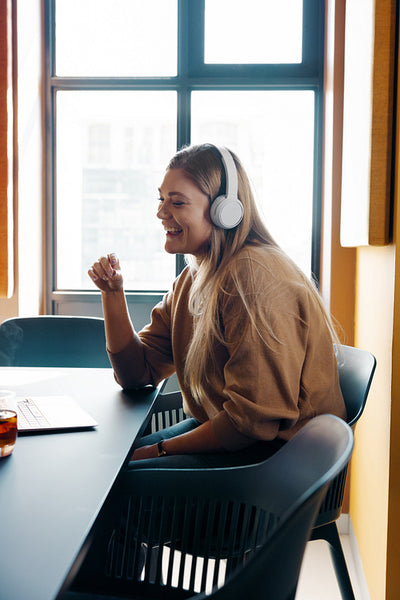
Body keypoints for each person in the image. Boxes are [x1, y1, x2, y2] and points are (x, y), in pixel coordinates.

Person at [88, 143, 346, 470]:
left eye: (177, 202)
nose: (161, 212)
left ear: (226, 210)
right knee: (105, 462)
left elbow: (253, 421)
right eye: (161, 199)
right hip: (235, 439)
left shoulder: (254, 276)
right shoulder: (194, 278)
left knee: (114, 478)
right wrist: (112, 294)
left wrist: (158, 451)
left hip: (276, 464)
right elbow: (137, 374)